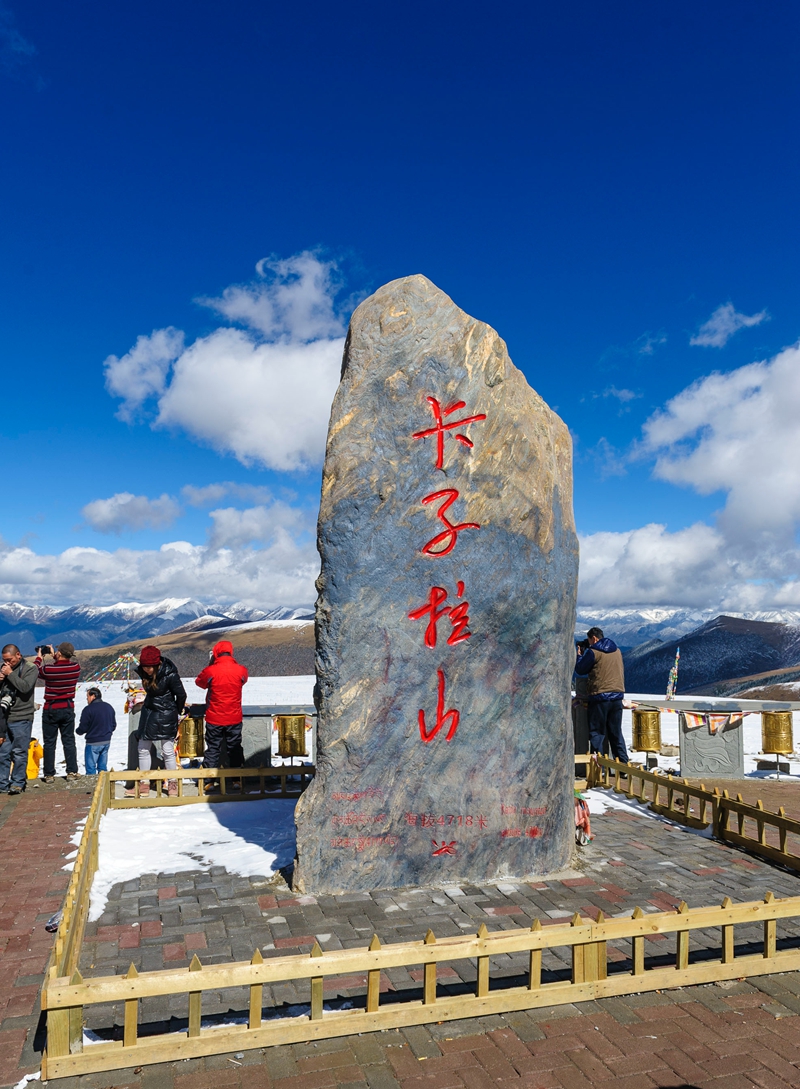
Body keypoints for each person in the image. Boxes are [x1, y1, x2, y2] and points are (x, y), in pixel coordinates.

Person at [129, 646, 186, 797]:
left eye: (149, 667)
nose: (147, 670)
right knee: (142, 748)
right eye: (145, 666)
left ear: (157, 664)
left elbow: (181, 695)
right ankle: (144, 783)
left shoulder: (170, 675)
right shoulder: (143, 671)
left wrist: (177, 711)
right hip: (149, 713)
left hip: (166, 714)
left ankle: (173, 784)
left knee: (167, 750)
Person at [195, 640, 248, 790]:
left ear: (216, 653)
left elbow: (200, 682)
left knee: (213, 748)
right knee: (235, 748)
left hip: (214, 717)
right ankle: (237, 779)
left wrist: (211, 665)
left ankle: (209, 781)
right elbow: (243, 681)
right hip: (234, 717)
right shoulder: (241, 670)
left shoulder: (211, 671)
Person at [574, 626, 629, 763]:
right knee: (615, 733)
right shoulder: (617, 650)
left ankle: (599, 767)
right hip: (617, 696)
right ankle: (623, 765)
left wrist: (580, 655)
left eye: (589, 641)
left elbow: (581, 669)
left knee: (597, 733)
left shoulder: (594, 652)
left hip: (600, 697)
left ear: (594, 638)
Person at [36, 643, 82, 783]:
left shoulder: (48, 669)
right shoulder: (75, 668)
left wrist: (39, 656)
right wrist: (55, 655)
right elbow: (62, 664)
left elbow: (35, 670)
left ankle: (49, 774)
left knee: (50, 742)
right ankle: (72, 771)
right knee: (68, 741)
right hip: (68, 707)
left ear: (60, 653)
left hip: (51, 708)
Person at [0, 645, 39, 795]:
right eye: (4, 661)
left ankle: (17, 782)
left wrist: (10, 674)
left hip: (22, 716)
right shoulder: (3, 668)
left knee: (19, 752)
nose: (7, 663)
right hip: (4, 717)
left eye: (10, 660)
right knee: (3, 753)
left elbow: (25, 688)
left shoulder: (30, 668)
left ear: (18, 655)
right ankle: (2, 783)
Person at [77, 687, 117, 774]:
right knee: (102, 767)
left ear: (93, 696)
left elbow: (83, 727)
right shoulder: (109, 707)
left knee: (91, 768)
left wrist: (78, 731)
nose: (87, 699)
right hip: (106, 740)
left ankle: (93, 786)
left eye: (87, 696)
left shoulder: (88, 709)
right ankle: (103, 785)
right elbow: (113, 725)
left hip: (93, 742)